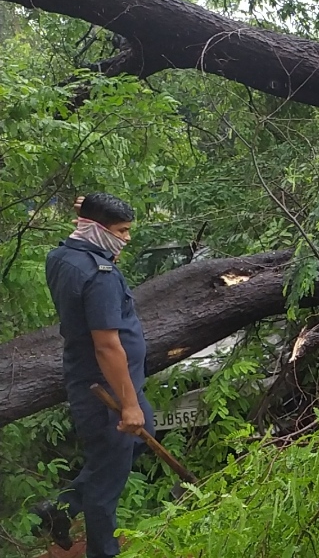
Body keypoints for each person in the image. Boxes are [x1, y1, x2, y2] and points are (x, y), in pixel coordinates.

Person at [31, 193, 154, 558]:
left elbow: (90, 239)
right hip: (108, 391)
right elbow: (107, 346)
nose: (126, 239)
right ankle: (104, 552)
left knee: (137, 439)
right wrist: (127, 404)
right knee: (105, 487)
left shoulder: (65, 256)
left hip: (94, 378)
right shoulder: (99, 276)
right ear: (99, 230)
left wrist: (91, 219)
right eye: (122, 231)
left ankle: (60, 509)